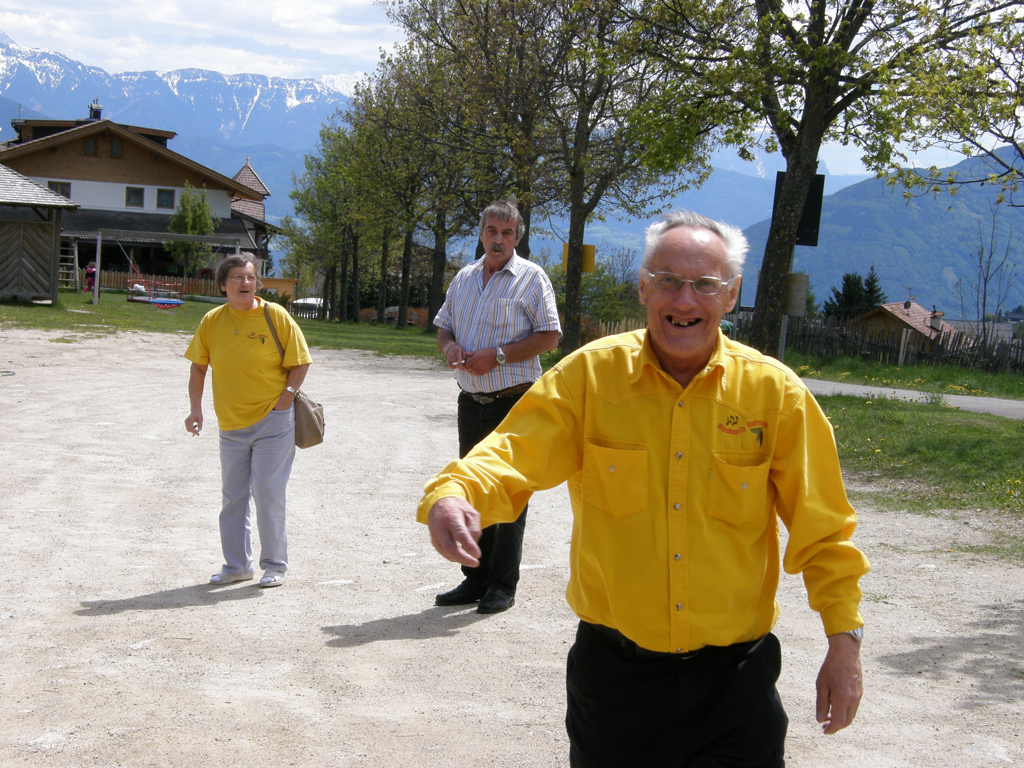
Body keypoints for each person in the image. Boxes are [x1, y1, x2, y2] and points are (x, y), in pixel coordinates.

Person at [419, 210, 870, 765]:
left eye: (705, 284)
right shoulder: (589, 378)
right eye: (668, 280)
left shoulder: (775, 395)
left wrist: (844, 642)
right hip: (615, 683)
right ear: (643, 288)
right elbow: (511, 453)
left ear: (731, 295)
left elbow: (824, 531)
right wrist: (454, 493)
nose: (685, 299)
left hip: (735, 684)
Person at [431, 199, 562, 614]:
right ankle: (475, 579)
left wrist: (499, 355)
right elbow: (444, 326)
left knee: (510, 493)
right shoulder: (465, 278)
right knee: (474, 489)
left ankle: (502, 585)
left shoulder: (532, 278)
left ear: (517, 237)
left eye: (507, 233)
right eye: (492, 231)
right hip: (471, 402)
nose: (498, 239)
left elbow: (550, 336)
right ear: (481, 233)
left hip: (515, 403)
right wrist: (450, 347)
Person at [184, 253, 312, 588]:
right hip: (231, 425)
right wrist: (195, 409)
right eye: (238, 277)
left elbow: (301, 362)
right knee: (234, 497)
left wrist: (284, 401)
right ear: (222, 285)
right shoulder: (212, 320)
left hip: (273, 420)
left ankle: (275, 565)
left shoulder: (275, 315)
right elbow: (198, 367)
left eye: (251, 277)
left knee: (268, 492)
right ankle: (237, 566)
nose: (245, 283)